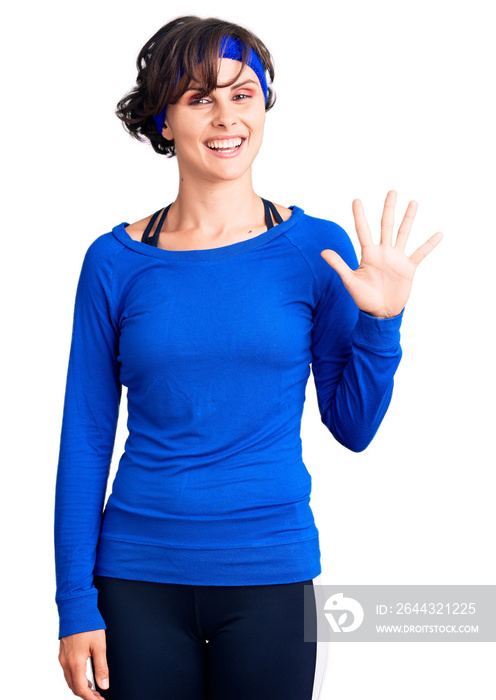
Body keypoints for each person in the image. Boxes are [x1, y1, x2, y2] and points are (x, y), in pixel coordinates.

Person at [54, 14, 443, 700]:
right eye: (199, 97)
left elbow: (352, 428)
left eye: (243, 93)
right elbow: (85, 440)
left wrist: (383, 323)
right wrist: (74, 606)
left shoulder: (313, 250)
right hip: (138, 577)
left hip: (271, 572)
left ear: (264, 105)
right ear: (164, 119)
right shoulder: (113, 261)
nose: (225, 116)